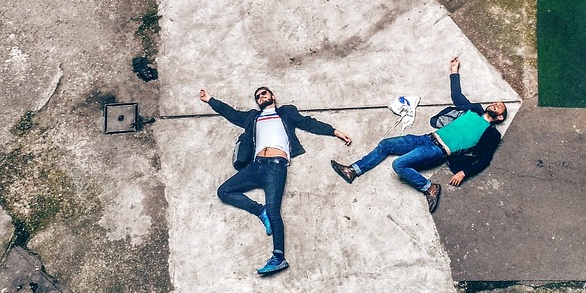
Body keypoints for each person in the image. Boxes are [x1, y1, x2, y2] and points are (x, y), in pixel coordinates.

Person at [200, 85, 352, 276]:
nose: (261, 97)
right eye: (257, 96)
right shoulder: (252, 118)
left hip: (276, 167)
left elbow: (309, 123)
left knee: (274, 211)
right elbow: (231, 113)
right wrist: (210, 100)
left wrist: (335, 131)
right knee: (224, 191)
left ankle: (278, 258)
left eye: (264, 93)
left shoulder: (285, 113)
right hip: (255, 167)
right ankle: (259, 210)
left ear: (273, 96)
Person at [331, 56, 506, 213]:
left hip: (439, 151)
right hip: (427, 138)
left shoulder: (492, 135)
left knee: (398, 165)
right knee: (385, 144)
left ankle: (429, 188)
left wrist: (464, 173)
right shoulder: (473, 110)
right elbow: (457, 95)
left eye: (500, 107)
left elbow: (484, 160)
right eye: (496, 102)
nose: (496, 104)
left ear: (500, 117)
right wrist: (454, 71)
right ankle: (353, 170)